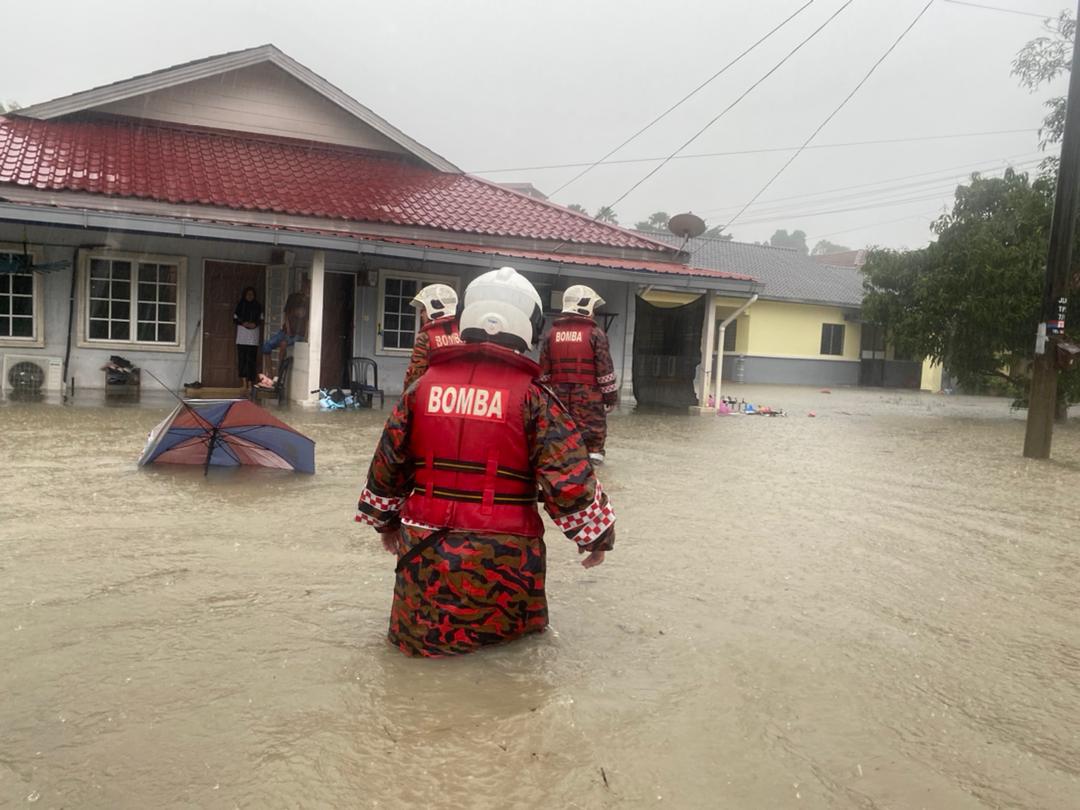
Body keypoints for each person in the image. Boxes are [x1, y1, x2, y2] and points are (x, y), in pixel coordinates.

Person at [355, 266, 616, 658]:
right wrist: (596, 538)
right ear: (527, 325)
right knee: (509, 670)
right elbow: (570, 483)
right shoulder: (535, 398)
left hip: (421, 553)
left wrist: (386, 526)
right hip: (506, 559)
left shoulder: (419, 389)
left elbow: (386, 470)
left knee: (418, 657)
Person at [539, 285, 619, 465]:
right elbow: (605, 371)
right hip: (589, 402)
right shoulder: (596, 334)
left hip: (558, 401)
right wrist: (611, 398)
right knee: (593, 451)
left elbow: (543, 374)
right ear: (586, 306)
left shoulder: (551, 334)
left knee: (559, 442)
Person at [403, 283, 462, 390]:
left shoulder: (426, 337)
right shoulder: (462, 332)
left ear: (435, 308)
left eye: (423, 310)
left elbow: (414, 375)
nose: (421, 314)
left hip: (431, 395)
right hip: (456, 395)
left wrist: (404, 401)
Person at [259, 291, 308, 381]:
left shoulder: (307, 302)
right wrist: (288, 330)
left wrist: (304, 336)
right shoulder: (292, 298)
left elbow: (304, 317)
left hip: (298, 334)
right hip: (285, 332)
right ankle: (270, 374)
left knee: (283, 345)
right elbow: (286, 315)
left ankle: (279, 374)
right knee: (266, 345)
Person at [233, 286, 263, 390]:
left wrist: (254, 324)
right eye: (248, 294)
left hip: (253, 335)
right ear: (245, 295)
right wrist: (243, 323)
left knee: (251, 360)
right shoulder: (241, 305)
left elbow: (261, 318)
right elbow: (235, 318)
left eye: (252, 294)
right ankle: (244, 383)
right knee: (242, 359)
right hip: (242, 334)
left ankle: (250, 383)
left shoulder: (258, 306)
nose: (250, 296)